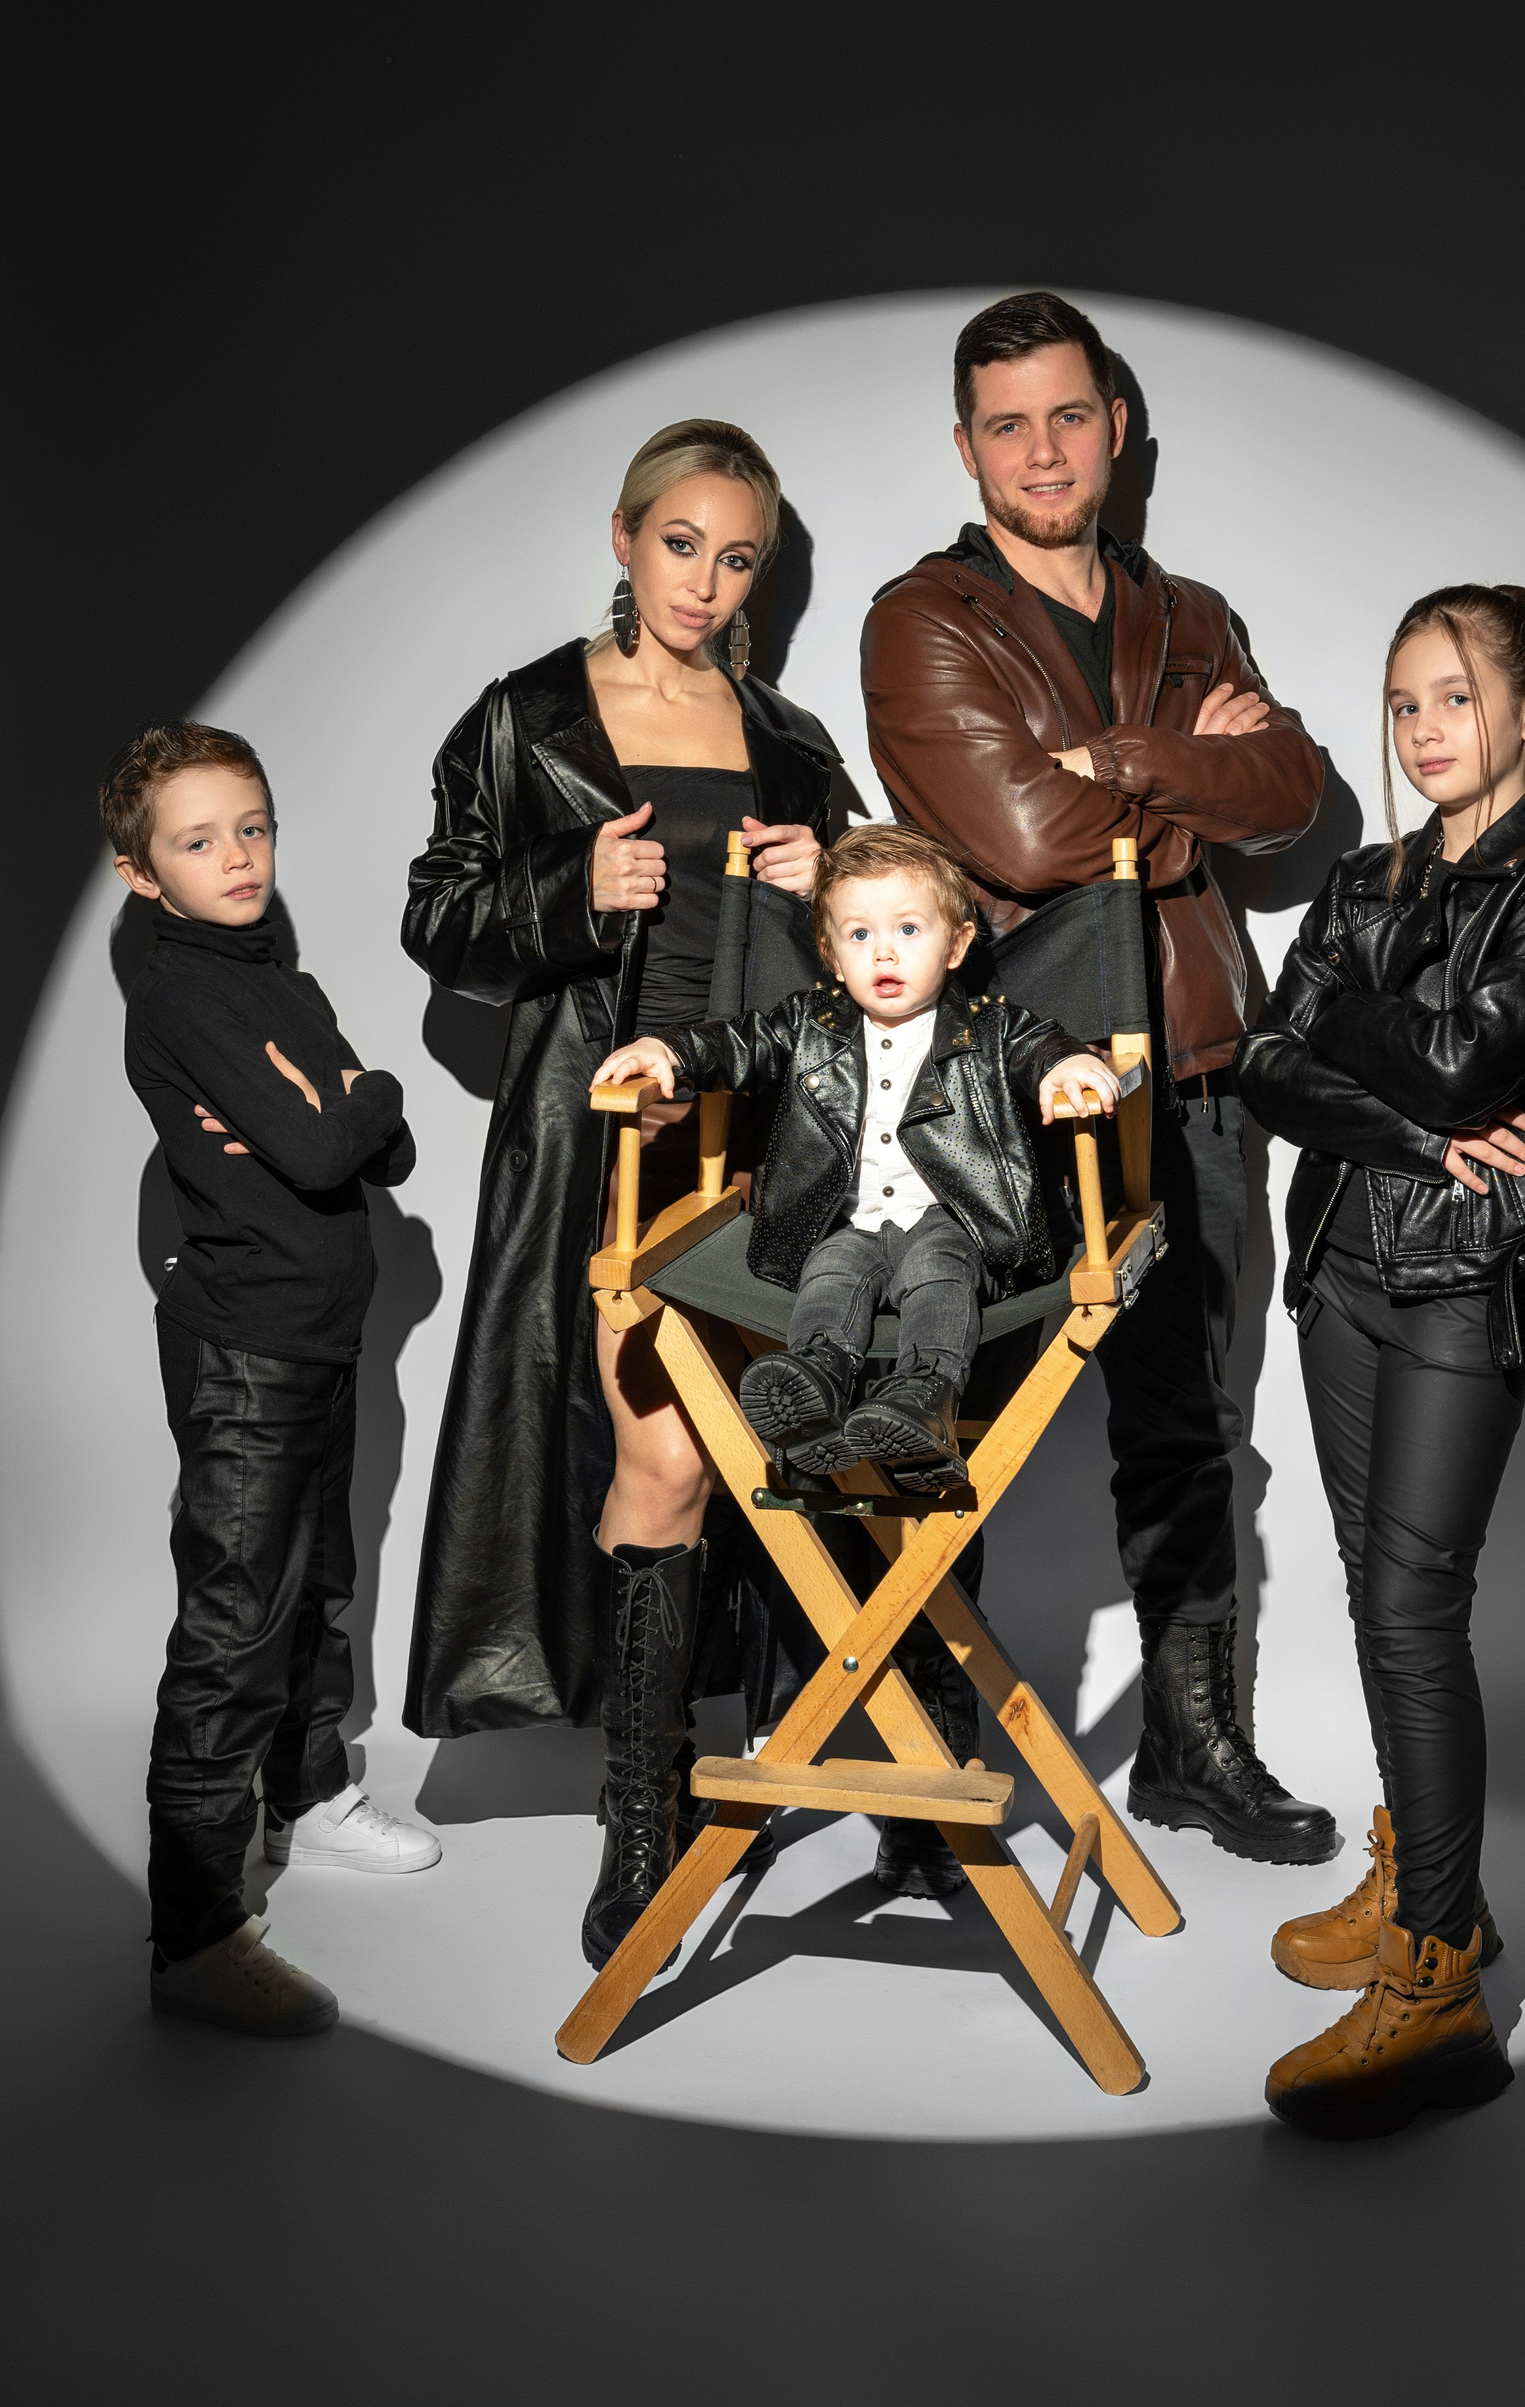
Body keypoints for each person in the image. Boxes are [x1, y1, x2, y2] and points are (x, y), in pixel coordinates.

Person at [862, 289, 1340, 1872]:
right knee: (952, 1416)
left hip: (1192, 1070)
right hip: (1007, 1085)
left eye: (1069, 416)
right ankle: (927, 1783)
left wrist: (1120, 766)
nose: (1043, 452)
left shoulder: (1189, 610)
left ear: (1116, 426)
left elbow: (1296, 787)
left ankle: (1195, 1753)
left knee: (1190, 1420)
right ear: (966, 446)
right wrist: (1190, 771)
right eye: (1008, 426)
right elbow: (1013, 838)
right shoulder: (922, 620)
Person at [400, 418, 840, 1972]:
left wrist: (825, 886)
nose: (705, 584)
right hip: (611, 1144)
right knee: (657, 1442)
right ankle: (641, 1808)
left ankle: (745, 1762)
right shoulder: (526, 718)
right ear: (624, 536)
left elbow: (879, 945)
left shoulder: (791, 739)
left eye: (738, 560)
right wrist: (569, 891)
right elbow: (437, 918)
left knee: (759, 1447)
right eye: (681, 545)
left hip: (772, 1142)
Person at [1237, 583, 1525, 2139]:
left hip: (1467, 1280)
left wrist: (1353, 1022)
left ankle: (1437, 1989)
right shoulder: (1366, 876)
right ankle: (1429, 1882)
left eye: (1455, 698)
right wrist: (1411, 1122)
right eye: (1404, 702)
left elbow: (1475, 1062)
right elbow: (1264, 1063)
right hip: (1342, 1262)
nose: (1421, 729)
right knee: (1375, 1595)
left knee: (1415, 1613)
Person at [103, 721, 437, 2038]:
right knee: (237, 1625)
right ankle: (194, 1938)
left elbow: (380, 1152)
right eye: (199, 842)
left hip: (317, 1331)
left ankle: (306, 1792)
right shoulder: (185, 995)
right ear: (143, 874)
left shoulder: (270, 974)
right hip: (245, 1348)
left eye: (252, 828)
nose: (237, 857)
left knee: (317, 1585)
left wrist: (349, 1107)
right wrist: (364, 1091)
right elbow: (325, 1146)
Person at [596, 822, 1120, 1497]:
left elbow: (1038, 1046)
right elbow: (736, 1043)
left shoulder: (989, 1027)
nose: (885, 953)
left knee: (939, 1274)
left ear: (957, 944)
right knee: (830, 1276)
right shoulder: (808, 1024)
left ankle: (925, 1395)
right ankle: (813, 1382)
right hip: (847, 1223)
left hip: (955, 1222)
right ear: (832, 955)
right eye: (860, 934)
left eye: (909, 929)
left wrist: (1067, 1065)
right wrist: (668, 1050)